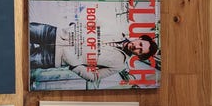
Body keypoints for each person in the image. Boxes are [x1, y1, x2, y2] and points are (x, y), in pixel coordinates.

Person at [30, 22, 158, 83]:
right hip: (54, 34)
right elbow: (93, 22)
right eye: (140, 44)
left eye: (140, 51)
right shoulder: (117, 29)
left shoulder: (119, 65)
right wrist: (75, 26)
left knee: (22, 60)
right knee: (23, 29)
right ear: (139, 38)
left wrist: (74, 65)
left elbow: (94, 77)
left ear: (139, 55)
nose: (136, 47)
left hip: (55, 58)